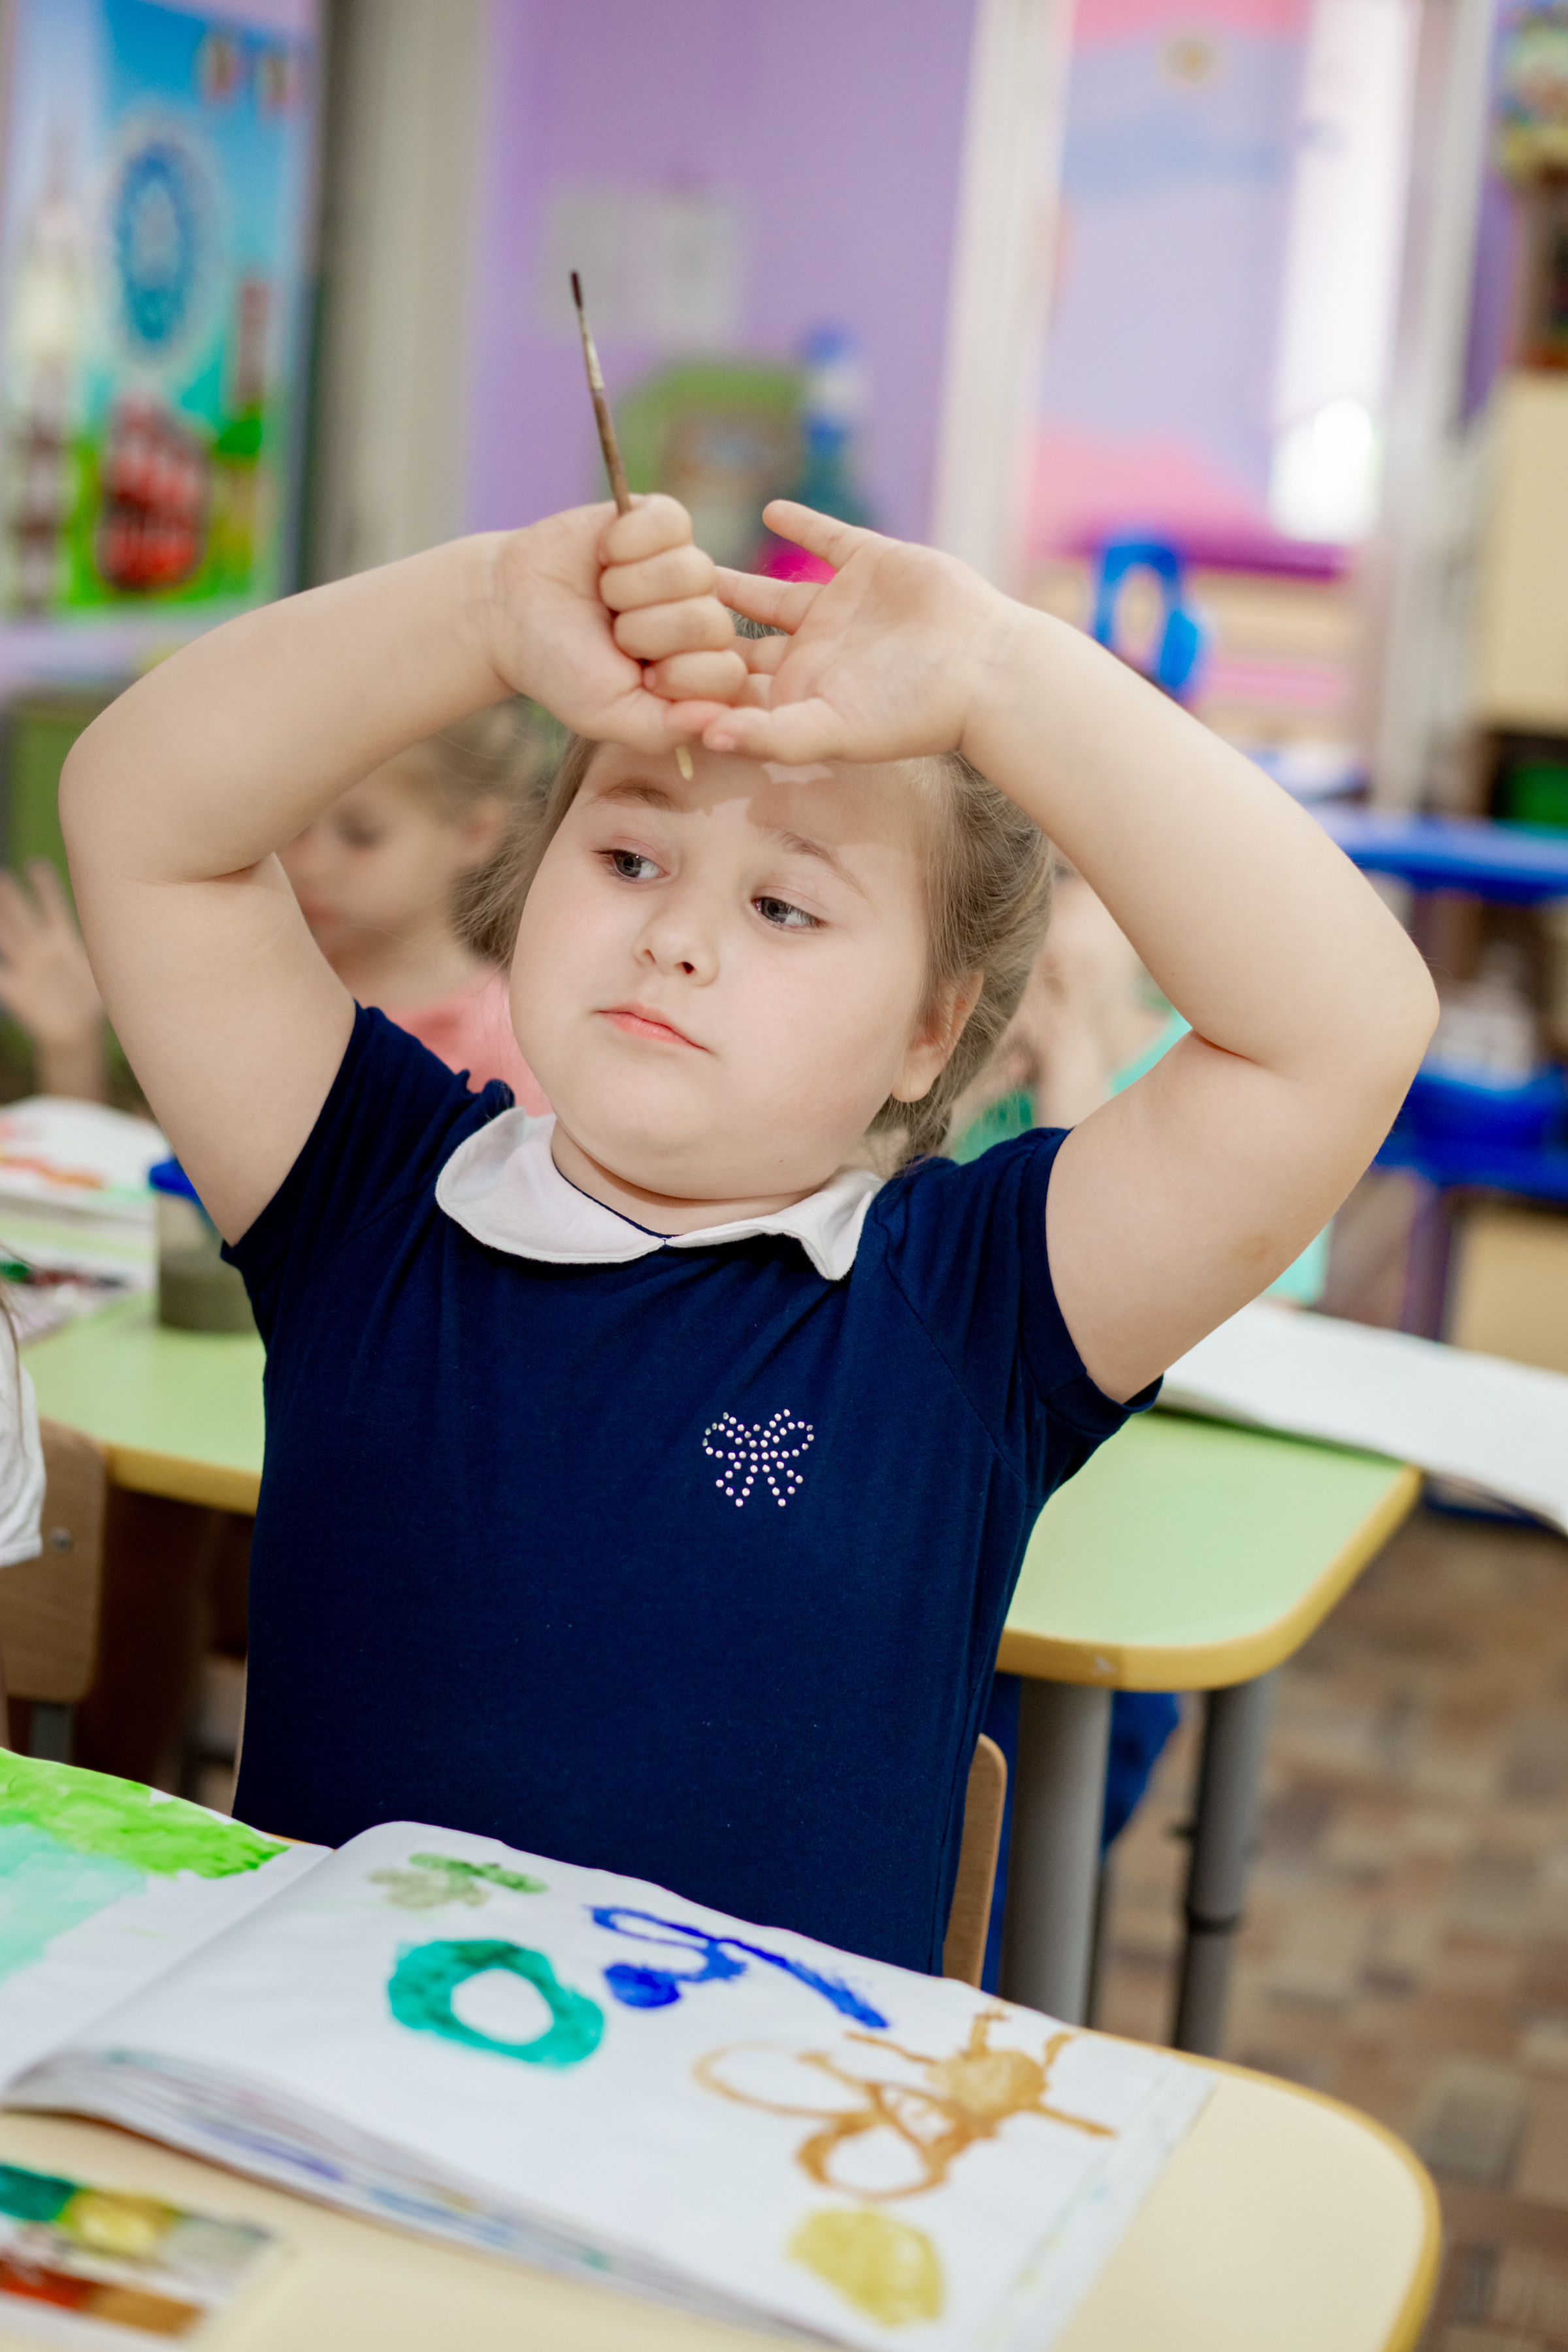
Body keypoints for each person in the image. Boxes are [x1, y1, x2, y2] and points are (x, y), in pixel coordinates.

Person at [59, 493, 1436, 1970]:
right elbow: (141, 816)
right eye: (628, 860)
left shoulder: (968, 1306)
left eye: (784, 907)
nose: (677, 937)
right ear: (528, 883)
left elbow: (1341, 1031)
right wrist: (485, 611)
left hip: (729, 2117)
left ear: (930, 1030)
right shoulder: (366, 1194)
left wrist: (1001, 674)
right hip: (318, 2082)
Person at [0, 703, 551, 1109]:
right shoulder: (260, 985)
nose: (309, 865)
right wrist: (71, 1047)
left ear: (475, 832)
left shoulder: (510, 1047)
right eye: (295, 825)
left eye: (361, 835)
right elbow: (161, 1192)